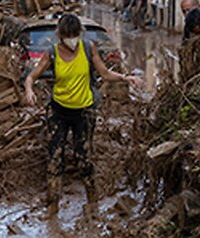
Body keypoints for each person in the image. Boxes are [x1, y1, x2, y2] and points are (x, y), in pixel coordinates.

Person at [24, 14, 142, 215]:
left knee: (84, 159)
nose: (72, 39)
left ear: (79, 33)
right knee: (55, 159)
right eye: (67, 35)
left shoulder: (88, 48)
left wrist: (126, 77)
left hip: (83, 112)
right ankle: (52, 208)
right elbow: (31, 77)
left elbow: (104, 73)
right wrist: (29, 90)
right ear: (60, 35)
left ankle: (92, 202)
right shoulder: (52, 53)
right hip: (58, 111)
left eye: (74, 34)